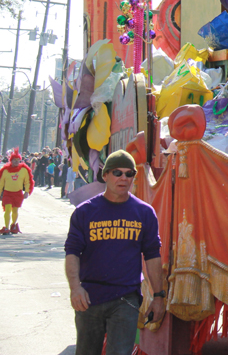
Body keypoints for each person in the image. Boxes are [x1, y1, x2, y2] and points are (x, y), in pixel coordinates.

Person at [64, 150, 165, 355]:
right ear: (105, 175)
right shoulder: (84, 212)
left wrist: (158, 296)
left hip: (126, 298)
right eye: (117, 172)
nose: (123, 178)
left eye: (129, 174)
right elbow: (72, 253)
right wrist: (75, 288)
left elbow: (153, 255)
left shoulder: (144, 213)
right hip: (89, 298)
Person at [0, 149, 34, 235]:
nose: (16, 162)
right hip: (7, 193)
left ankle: (13, 225)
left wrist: (27, 191)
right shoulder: (5, 170)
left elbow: (27, 182)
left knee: (15, 210)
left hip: (18, 193)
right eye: (14, 160)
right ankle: (6, 227)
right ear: (10, 160)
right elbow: (1, 183)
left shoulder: (24, 170)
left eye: (17, 160)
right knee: (7, 210)